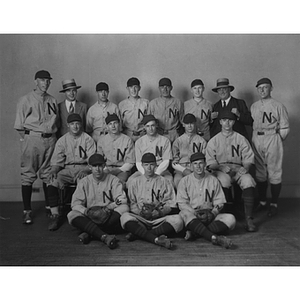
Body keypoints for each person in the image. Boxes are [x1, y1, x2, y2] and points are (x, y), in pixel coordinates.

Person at [14, 70, 59, 225]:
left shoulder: (52, 100)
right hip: (33, 138)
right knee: (28, 174)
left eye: (48, 80)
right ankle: (27, 211)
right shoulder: (25, 99)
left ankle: (49, 206)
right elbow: (19, 126)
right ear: (36, 82)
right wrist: (29, 139)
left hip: (50, 139)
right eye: (42, 80)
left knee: (48, 173)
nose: (45, 83)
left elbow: (56, 123)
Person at [206, 110, 257, 232]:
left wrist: (245, 167)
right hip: (222, 169)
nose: (227, 123)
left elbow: (248, 158)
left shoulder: (241, 138)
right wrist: (220, 167)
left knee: (248, 181)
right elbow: (210, 162)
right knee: (224, 181)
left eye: (230, 120)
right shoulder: (214, 140)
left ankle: (248, 218)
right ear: (220, 122)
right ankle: (224, 215)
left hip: (238, 167)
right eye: (224, 120)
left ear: (234, 122)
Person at [120, 153, 183, 249]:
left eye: (152, 164)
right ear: (142, 166)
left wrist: (160, 212)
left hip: (159, 219)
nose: (149, 168)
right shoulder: (135, 182)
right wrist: (141, 213)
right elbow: (132, 204)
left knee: (178, 220)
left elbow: (171, 203)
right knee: (124, 217)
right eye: (146, 165)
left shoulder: (164, 181)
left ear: (156, 165)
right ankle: (155, 238)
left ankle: (141, 235)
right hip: (141, 219)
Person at [67, 153, 129, 249]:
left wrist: (109, 207)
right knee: (72, 214)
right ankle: (103, 235)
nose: (97, 169)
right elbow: (75, 203)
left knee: (124, 208)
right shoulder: (84, 182)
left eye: (100, 165)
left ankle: (91, 233)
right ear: (90, 167)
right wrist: (86, 211)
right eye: (94, 166)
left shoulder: (113, 179)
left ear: (104, 166)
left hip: (109, 214)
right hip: (90, 214)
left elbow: (121, 199)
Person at [46, 113, 96, 231]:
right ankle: (55, 214)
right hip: (67, 169)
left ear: (81, 125)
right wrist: (54, 170)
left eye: (77, 124)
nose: (75, 126)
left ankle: (81, 214)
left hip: (83, 168)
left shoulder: (87, 139)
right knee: (52, 180)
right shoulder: (62, 140)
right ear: (68, 125)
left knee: (83, 182)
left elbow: (93, 161)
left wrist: (86, 169)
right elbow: (57, 161)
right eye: (72, 124)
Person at [177, 152, 236, 249]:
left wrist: (214, 212)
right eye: (195, 164)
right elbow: (182, 203)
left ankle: (196, 233)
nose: (198, 166)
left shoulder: (213, 180)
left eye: (201, 163)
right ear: (191, 166)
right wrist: (194, 212)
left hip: (209, 216)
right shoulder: (184, 181)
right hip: (193, 216)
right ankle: (213, 237)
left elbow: (219, 202)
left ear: (205, 164)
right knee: (184, 214)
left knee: (231, 219)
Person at [251, 78, 290, 217]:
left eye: (265, 87)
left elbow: (285, 127)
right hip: (257, 137)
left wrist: (276, 139)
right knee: (260, 172)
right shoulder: (254, 106)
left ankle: (274, 203)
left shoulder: (278, 105)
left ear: (271, 88)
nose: (262, 90)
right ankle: (262, 202)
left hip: (272, 137)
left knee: (274, 171)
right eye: (259, 88)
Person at [128, 114, 173, 186]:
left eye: (152, 125)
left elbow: (166, 161)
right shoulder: (139, 142)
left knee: (169, 181)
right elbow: (138, 163)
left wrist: (156, 173)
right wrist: (146, 174)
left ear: (156, 126)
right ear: (144, 128)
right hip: (144, 170)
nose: (150, 128)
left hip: (161, 169)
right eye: (148, 126)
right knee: (130, 181)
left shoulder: (165, 140)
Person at [97, 113, 135, 187]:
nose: (113, 126)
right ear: (107, 126)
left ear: (119, 124)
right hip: (106, 169)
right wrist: (105, 169)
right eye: (110, 124)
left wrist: (119, 170)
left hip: (122, 170)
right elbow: (99, 159)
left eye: (115, 123)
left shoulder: (127, 140)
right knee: (102, 184)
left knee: (118, 184)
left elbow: (130, 162)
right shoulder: (102, 140)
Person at [172, 113, 207, 188]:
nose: (190, 126)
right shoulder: (178, 141)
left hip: (198, 167)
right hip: (181, 168)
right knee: (178, 180)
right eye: (187, 124)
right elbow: (174, 162)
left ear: (195, 124)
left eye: (192, 123)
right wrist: (183, 170)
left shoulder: (201, 141)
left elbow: (205, 159)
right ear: (183, 124)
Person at [149, 77, 184, 143]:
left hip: (173, 133)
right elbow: (148, 123)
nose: (165, 89)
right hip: (158, 133)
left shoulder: (178, 102)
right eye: (162, 87)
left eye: (167, 87)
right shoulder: (153, 103)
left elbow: (182, 121)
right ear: (159, 88)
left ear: (171, 88)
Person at [118, 77, 149, 142]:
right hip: (127, 135)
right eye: (131, 87)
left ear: (139, 88)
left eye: (136, 87)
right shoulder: (122, 104)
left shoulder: (146, 103)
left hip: (142, 135)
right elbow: (119, 123)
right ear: (127, 88)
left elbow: (149, 121)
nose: (133, 90)